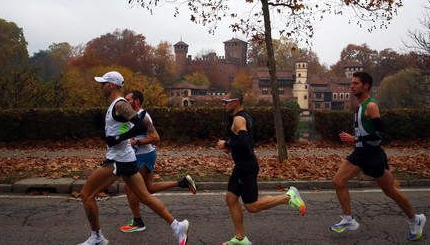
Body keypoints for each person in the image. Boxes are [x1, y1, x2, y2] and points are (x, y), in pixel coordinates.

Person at [78, 71, 189, 245]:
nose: (101, 86)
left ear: (112, 85)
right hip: (127, 159)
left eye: (104, 83)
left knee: (86, 194)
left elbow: (139, 124)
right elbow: (122, 127)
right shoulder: (115, 105)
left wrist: (119, 138)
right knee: (145, 196)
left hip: (117, 160)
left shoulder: (120, 104)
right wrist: (105, 129)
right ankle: (177, 226)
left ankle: (97, 237)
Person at [331, 71, 426, 241]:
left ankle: (416, 219)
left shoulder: (371, 106)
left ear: (366, 86)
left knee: (390, 191)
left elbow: (382, 135)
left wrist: (355, 138)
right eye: (351, 83)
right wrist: (356, 141)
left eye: (355, 83)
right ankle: (348, 219)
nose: (351, 86)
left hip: (373, 155)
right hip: (360, 153)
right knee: (338, 181)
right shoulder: (360, 105)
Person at [216, 89, 306, 245]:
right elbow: (249, 142)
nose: (223, 104)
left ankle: (288, 197)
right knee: (231, 198)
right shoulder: (246, 117)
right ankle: (240, 238)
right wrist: (232, 147)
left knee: (252, 206)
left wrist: (227, 144)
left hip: (246, 166)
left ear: (235, 102)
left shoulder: (238, 119)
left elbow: (244, 143)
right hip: (242, 165)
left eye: (226, 102)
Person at [120, 90, 197, 233]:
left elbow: (156, 138)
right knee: (148, 188)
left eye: (128, 99)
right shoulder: (131, 116)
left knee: (129, 188)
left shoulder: (144, 117)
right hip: (143, 155)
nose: (125, 102)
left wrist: (136, 142)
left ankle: (138, 222)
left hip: (144, 155)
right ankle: (182, 182)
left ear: (136, 101)